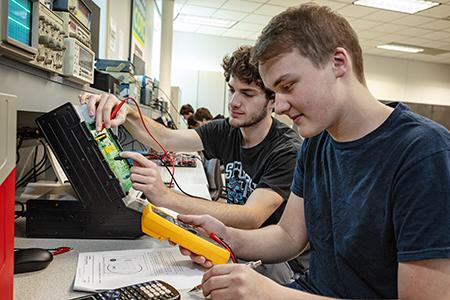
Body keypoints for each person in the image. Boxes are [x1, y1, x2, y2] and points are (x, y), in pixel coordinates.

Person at [178, 4, 450, 300]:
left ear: (338, 62)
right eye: (274, 92)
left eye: (288, 86)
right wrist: (225, 236)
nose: (279, 106)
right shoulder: (316, 143)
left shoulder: (424, 154)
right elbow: (288, 236)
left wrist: (271, 294)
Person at [81, 46, 302, 282]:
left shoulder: (287, 150)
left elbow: (250, 217)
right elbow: (165, 139)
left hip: (277, 263)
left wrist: (166, 197)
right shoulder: (227, 129)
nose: (234, 102)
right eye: (231, 90)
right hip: (235, 244)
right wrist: (126, 110)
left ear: (272, 101)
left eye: (247, 94)